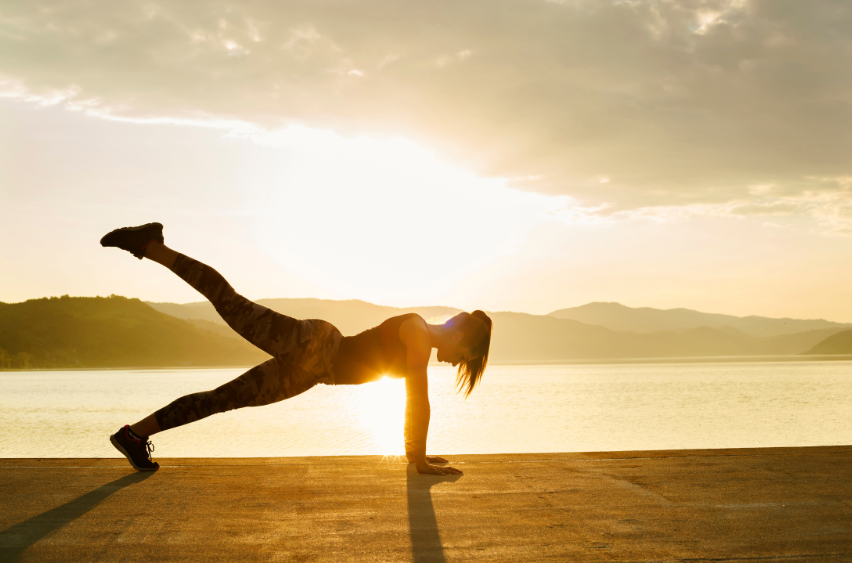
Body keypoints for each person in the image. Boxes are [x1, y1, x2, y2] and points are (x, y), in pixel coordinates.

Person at [101, 223, 492, 476]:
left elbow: (415, 400)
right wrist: (419, 461)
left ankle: (133, 436)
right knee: (229, 301)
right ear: (460, 339)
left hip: (315, 371)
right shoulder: (418, 332)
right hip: (315, 346)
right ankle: (149, 244)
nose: (457, 363)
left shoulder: (419, 336)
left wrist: (417, 458)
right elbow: (417, 399)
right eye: (465, 358)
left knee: (223, 399)